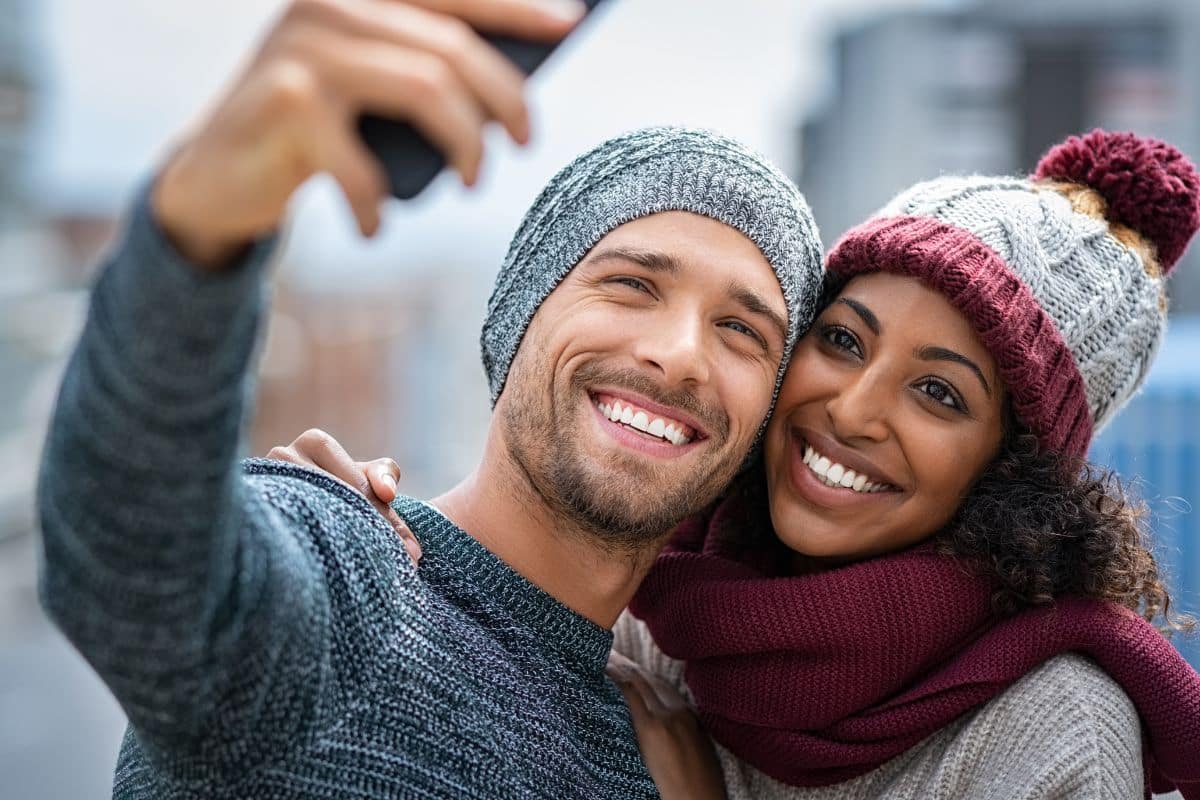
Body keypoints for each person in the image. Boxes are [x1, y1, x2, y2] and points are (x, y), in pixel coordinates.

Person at [34, 1, 826, 797]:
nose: (682, 352)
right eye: (629, 284)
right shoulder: (347, 571)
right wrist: (203, 219)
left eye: (741, 331)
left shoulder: (676, 744)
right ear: (519, 315)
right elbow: (132, 566)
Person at [292, 130, 1200, 799]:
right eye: (842, 340)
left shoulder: (1057, 729)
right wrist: (353, 537)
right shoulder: (666, 611)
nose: (852, 409)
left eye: (940, 395)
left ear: (1011, 476)